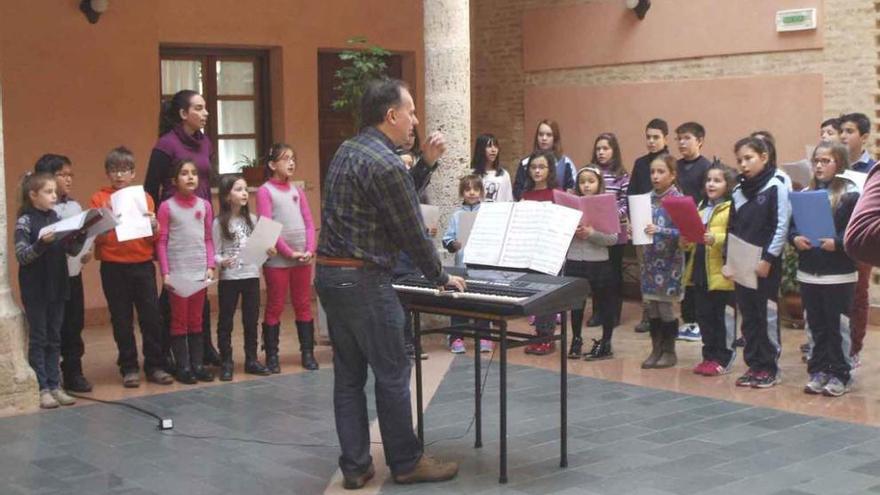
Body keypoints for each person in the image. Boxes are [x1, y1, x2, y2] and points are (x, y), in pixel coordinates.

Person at [314, 78, 465, 488]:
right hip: (364, 281)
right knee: (393, 372)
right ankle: (406, 462)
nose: (416, 120)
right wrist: (440, 277)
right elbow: (411, 231)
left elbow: (386, 200)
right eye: (412, 111)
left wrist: (426, 164)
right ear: (391, 115)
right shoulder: (384, 163)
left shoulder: (349, 150)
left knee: (348, 377)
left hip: (330, 276)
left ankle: (356, 466)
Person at [145, 89, 220, 369]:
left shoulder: (205, 142)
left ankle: (203, 349)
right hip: (173, 223)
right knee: (173, 292)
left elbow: (206, 180)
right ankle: (165, 351)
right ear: (183, 114)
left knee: (201, 287)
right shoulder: (165, 145)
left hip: (199, 218)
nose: (205, 113)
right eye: (199, 108)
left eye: (205, 108)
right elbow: (150, 188)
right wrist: (154, 227)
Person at [89, 147, 173, 388]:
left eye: (124, 170)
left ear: (133, 173)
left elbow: (152, 239)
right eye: (114, 170)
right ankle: (129, 367)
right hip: (113, 266)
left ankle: (155, 365)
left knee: (150, 317)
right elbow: (96, 237)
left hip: (142, 264)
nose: (119, 175)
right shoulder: (99, 198)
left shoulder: (145, 198)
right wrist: (105, 225)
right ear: (107, 173)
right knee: (121, 319)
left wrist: (154, 226)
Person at [792, 141, 860, 396]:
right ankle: (818, 370)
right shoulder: (806, 192)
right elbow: (793, 226)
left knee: (837, 326)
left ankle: (840, 373)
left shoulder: (851, 194)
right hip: (810, 271)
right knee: (815, 325)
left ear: (839, 163)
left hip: (839, 273)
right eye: (816, 161)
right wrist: (795, 238)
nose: (819, 166)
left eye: (825, 161)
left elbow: (858, 232)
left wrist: (838, 243)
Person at [16, 172, 84, 408]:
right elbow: (22, 256)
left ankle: (56, 385)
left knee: (55, 338)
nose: (54, 196)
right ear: (33, 195)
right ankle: (42, 387)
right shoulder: (25, 221)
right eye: (48, 192)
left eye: (55, 191)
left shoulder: (56, 218)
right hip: (36, 288)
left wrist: (81, 235)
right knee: (39, 338)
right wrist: (41, 243)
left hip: (58, 284)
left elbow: (71, 251)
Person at [726, 136, 790, 388]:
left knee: (766, 316)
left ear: (764, 157)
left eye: (749, 158)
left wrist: (768, 258)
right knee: (749, 316)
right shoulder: (737, 191)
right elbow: (732, 228)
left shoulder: (777, 185)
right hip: (741, 263)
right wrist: (729, 262)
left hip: (765, 267)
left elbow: (781, 226)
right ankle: (754, 364)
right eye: (740, 160)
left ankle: (770, 366)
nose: (743, 165)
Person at [255, 143, 319, 372]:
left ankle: (307, 352)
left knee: (303, 303)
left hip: (302, 258)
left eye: (293, 158)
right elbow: (268, 227)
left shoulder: (297, 191)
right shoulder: (265, 191)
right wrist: (289, 252)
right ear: (272, 164)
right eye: (285, 159)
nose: (291, 163)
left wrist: (310, 249)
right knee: (275, 305)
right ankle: (272, 355)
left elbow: (309, 223)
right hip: (279, 260)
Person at [33, 154, 92, 393]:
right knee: (50, 327)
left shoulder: (75, 206)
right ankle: (48, 376)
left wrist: (86, 246)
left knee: (73, 324)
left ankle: (73, 372)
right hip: (48, 278)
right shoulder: (36, 213)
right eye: (62, 175)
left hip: (73, 273)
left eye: (70, 175)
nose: (68, 179)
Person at [157, 159, 216, 385]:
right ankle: (183, 366)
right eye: (184, 173)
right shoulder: (167, 207)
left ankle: (197, 364)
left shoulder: (205, 206)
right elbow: (161, 242)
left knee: (197, 319)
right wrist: (166, 273)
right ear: (174, 180)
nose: (190, 177)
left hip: (199, 272)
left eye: (193, 173)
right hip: (178, 273)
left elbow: (209, 239)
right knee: (179, 320)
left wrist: (210, 265)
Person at [212, 175, 273, 381]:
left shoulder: (254, 220)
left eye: (246, 189)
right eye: (238, 189)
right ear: (227, 196)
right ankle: (227, 361)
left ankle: (251, 359)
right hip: (229, 278)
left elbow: (261, 249)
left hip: (251, 276)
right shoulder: (219, 222)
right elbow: (215, 252)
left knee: (251, 319)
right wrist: (222, 261)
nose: (245, 193)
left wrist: (268, 250)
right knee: (226, 321)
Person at [684, 162, 736, 376]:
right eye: (708, 180)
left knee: (721, 319)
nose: (711, 184)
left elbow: (735, 236)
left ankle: (724, 357)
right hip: (700, 272)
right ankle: (708, 356)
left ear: (728, 184)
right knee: (704, 318)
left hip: (721, 274)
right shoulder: (701, 207)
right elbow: (693, 240)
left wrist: (716, 238)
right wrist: (685, 239)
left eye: (717, 180)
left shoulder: (731, 208)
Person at [566, 166, 618, 360]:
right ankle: (576, 339)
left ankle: (606, 342)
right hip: (574, 259)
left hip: (598, 261)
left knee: (604, 302)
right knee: (576, 303)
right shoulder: (571, 204)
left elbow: (612, 238)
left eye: (591, 181)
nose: (586, 185)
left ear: (599, 184)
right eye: (582, 182)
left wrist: (591, 234)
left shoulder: (605, 205)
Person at [639, 154, 684, 369]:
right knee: (652, 308)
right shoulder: (645, 199)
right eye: (653, 172)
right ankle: (655, 349)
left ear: (672, 175)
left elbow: (685, 231)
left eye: (661, 172)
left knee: (666, 308)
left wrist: (661, 230)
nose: (655, 177)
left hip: (669, 263)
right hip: (649, 261)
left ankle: (669, 351)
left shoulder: (678, 200)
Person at [838, 112, 876, 367]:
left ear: (863, 137)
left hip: (862, 239)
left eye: (849, 131)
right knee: (836, 295)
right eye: (841, 131)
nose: (843, 136)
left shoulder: (872, 168)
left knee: (858, 294)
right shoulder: (836, 166)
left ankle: (854, 348)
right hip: (834, 238)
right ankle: (835, 346)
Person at [442, 174, 492, 354]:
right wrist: (453, 244)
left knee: (482, 301)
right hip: (461, 265)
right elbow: (447, 239)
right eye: (467, 189)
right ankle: (456, 337)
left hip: (483, 265)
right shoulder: (457, 215)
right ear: (462, 192)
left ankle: (484, 335)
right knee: (459, 301)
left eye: (475, 189)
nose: (472, 192)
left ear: (481, 192)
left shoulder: (487, 213)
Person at [628, 119, 670, 333]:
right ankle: (647, 313)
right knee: (645, 269)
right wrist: (631, 220)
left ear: (665, 138)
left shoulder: (672, 162)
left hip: (665, 226)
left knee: (663, 269)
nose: (651, 141)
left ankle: (665, 314)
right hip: (642, 222)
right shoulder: (640, 163)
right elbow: (632, 193)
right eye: (648, 137)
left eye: (656, 137)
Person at [675, 122, 711, 341]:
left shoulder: (706, 167)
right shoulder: (675, 166)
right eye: (678, 138)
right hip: (677, 228)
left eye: (686, 138)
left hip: (698, 228)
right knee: (681, 277)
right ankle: (687, 320)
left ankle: (698, 321)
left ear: (699, 141)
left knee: (695, 276)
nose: (681, 142)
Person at [521, 150, 559, 354]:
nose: (537, 171)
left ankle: (548, 337)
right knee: (536, 292)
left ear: (550, 170)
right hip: (531, 249)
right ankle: (538, 334)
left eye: (541, 167)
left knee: (549, 293)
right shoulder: (526, 195)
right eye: (533, 167)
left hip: (551, 249)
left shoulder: (557, 194)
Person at [589, 132, 629, 328]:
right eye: (598, 149)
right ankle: (597, 313)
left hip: (615, 232)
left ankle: (613, 314)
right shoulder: (590, 173)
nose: (601, 152)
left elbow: (625, 203)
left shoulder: (622, 175)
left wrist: (610, 215)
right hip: (595, 233)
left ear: (614, 151)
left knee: (613, 275)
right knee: (597, 274)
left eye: (605, 148)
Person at [513, 120, 577, 199]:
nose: (544, 138)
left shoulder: (565, 162)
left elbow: (571, 188)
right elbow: (517, 188)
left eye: (549, 135)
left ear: (555, 138)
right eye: (541, 134)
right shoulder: (525, 163)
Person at [471, 133, 513, 202]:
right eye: (489, 146)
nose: (493, 150)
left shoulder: (504, 174)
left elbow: (508, 199)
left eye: (496, 146)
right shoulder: (472, 174)